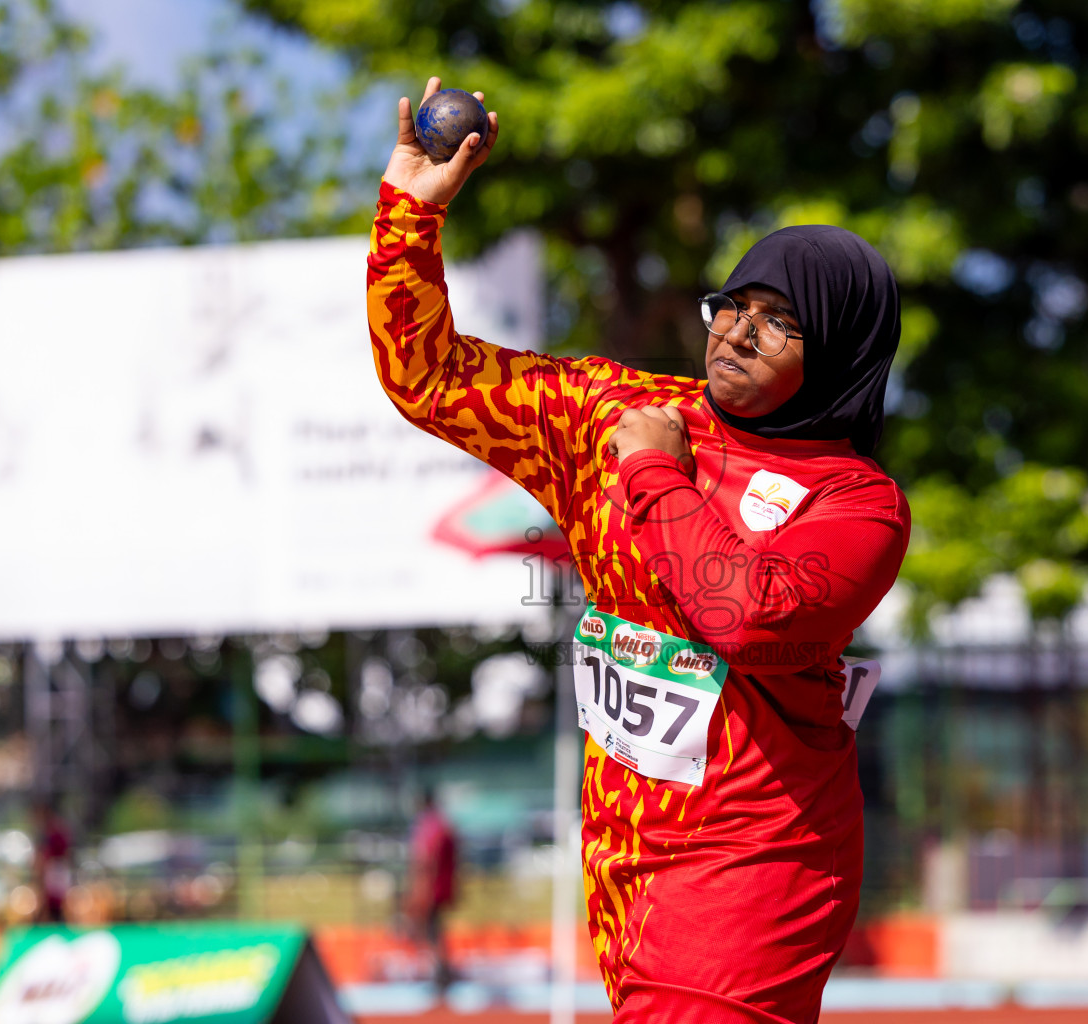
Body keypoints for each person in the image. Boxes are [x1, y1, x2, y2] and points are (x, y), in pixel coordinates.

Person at [369, 78, 909, 1023]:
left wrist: (656, 478)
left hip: (758, 858)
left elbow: (745, 614)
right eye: (733, 302)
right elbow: (429, 377)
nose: (738, 332)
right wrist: (411, 213)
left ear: (838, 351)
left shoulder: (857, 504)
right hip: (623, 858)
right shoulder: (611, 412)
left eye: (779, 320)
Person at [405, 788, 457, 988]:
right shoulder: (442, 824)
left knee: (432, 931)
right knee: (435, 930)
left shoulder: (429, 826)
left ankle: (440, 972)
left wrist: (419, 890)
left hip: (431, 888)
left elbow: (424, 860)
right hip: (439, 886)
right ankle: (440, 971)